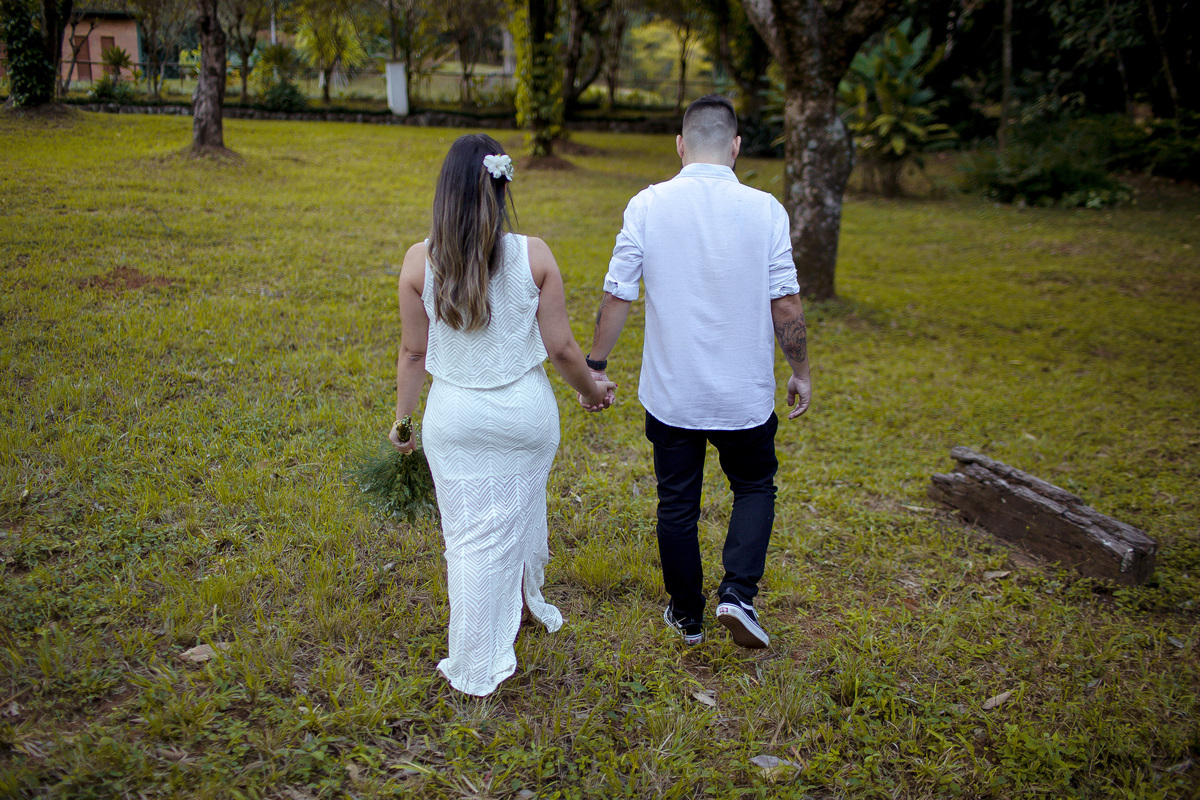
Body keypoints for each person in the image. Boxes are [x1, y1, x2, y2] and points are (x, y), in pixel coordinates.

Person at [389, 134, 615, 696]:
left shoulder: (419, 262)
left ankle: (505, 614)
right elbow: (563, 349)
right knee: (515, 508)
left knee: (466, 538)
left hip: (454, 419)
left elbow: (413, 353)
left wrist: (402, 421)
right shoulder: (534, 254)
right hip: (525, 417)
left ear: (444, 195)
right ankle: (475, 660)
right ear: (504, 184)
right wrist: (592, 390)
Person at [584, 95, 811, 649]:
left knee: (677, 502)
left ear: (680, 146)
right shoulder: (767, 209)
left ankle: (686, 614)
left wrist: (595, 365)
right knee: (755, 486)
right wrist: (800, 369)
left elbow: (618, 294)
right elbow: (786, 303)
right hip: (746, 395)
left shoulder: (647, 205)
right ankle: (738, 594)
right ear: (735, 147)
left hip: (672, 395)